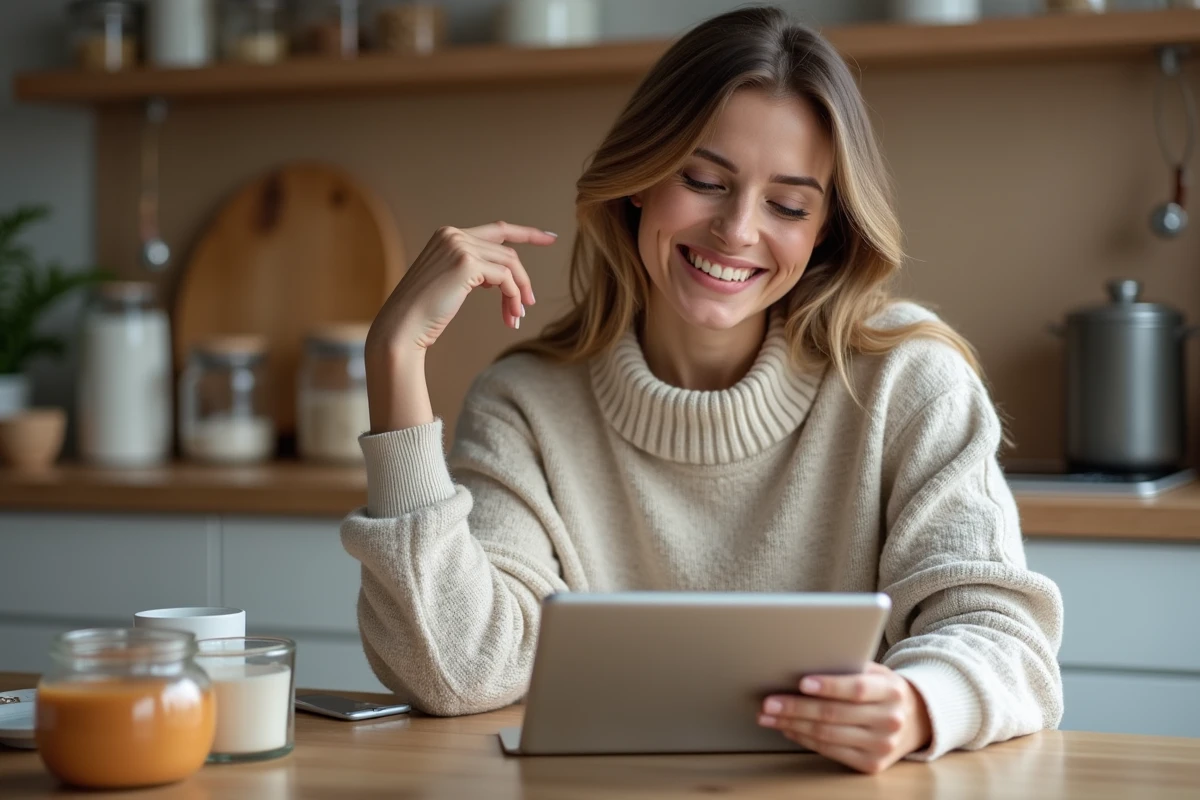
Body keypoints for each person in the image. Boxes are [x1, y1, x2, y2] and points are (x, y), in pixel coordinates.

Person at [341, 5, 1063, 774]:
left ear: (824, 230)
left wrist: (921, 704)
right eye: (704, 180)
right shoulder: (526, 405)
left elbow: (1003, 637)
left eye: (787, 205)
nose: (737, 230)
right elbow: (454, 671)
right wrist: (394, 360)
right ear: (640, 181)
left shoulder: (908, 381)